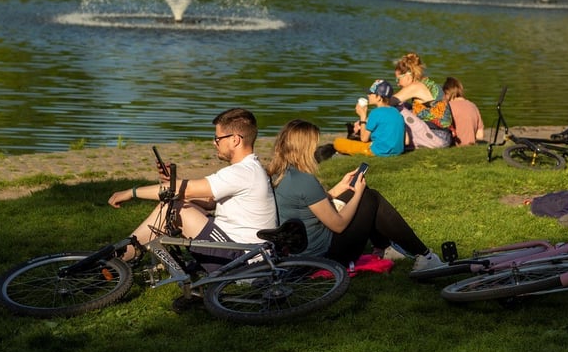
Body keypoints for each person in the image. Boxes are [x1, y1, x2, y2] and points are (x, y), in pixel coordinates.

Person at [108, 108, 277, 270]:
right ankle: (121, 256)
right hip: (246, 253)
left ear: (235, 140)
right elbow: (209, 201)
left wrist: (132, 192)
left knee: (177, 209)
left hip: (241, 260)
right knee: (179, 202)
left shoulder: (242, 172)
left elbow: (185, 190)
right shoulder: (251, 169)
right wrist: (176, 184)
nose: (214, 143)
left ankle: (117, 260)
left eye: (218, 138)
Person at [268, 119, 443, 272]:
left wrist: (339, 188)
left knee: (358, 195)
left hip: (301, 250)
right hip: (326, 255)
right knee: (370, 197)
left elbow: (308, 202)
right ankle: (425, 256)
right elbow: (338, 225)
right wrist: (358, 193)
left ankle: (385, 248)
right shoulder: (305, 180)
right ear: (304, 148)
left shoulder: (281, 173)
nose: (316, 149)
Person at [392, 52, 453, 149]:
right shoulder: (426, 83)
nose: (397, 84)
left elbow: (387, 101)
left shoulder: (416, 86)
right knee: (405, 106)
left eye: (398, 79)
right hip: (444, 136)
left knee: (398, 108)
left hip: (437, 136)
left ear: (408, 75)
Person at [333, 79, 405, 157]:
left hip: (378, 152)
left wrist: (362, 116)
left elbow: (364, 139)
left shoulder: (375, 112)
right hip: (398, 152)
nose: (368, 95)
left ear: (379, 98)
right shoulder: (397, 112)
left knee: (338, 142)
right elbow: (406, 141)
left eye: (371, 93)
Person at [443, 76, 484, 146]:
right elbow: (480, 135)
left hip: (456, 145)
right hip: (471, 145)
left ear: (447, 93)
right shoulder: (473, 106)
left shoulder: (448, 107)